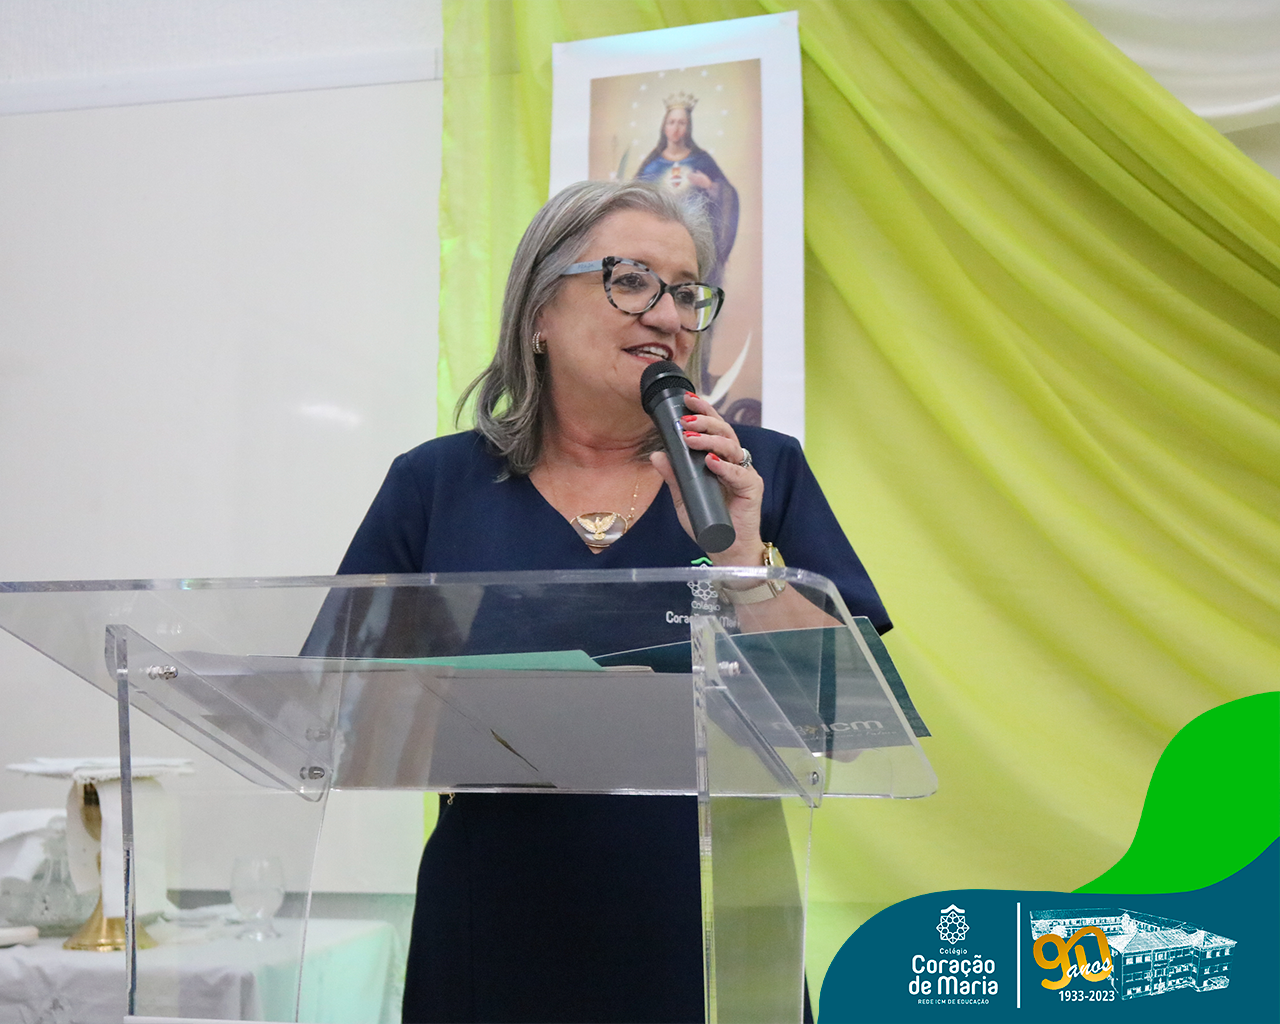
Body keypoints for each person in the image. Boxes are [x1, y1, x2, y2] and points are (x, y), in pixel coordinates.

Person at [335, 180, 891, 1023]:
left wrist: (743, 561)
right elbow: (339, 709)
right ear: (538, 314)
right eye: (631, 281)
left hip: (716, 924)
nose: (667, 315)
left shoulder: (756, 471)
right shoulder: (436, 485)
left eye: (687, 292)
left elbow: (846, 718)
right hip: (496, 928)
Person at [635, 94, 738, 286]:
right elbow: (633, 201)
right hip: (654, 243)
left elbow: (729, 197)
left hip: (693, 245)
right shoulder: (652, 165)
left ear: (688, 127)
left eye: (681, 123)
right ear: (664, 126)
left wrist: (710, 186)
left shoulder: (702, 161)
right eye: (671, 122)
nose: (676, 128)